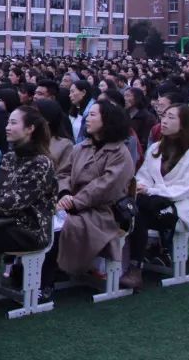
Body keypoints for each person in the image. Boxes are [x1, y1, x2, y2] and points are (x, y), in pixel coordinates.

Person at [120, 103, 189, 289]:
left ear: (184, 124)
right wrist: (144, 188)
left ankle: (136, 268)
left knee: (139, 211)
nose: (164, 121)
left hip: (178, 208)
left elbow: (183, 190)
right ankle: (120, 263)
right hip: (151, 202)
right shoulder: (156, 148)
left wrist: (151, 190)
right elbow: (143, 177)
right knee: (133, 207)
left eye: (171, 117)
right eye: (164, 116)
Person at [54, 100, 134, 276]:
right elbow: (63, 174)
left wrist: (75, 203)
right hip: (70, 204)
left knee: (65, 229)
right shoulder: (80, 147)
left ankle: (48, 281)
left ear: (107, 120)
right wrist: (65, 193)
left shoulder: (120, 153)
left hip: (102, 212)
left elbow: (106, 186)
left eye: (92, 115)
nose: (87, 119)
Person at [0, 106, 57, 255]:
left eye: (13, 123)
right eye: (7, 123)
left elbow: (13, 203)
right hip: (2, 221)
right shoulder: (9, 157)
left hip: (29, 229)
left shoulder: (41, 163)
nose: (7, 127)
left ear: (30, 129)